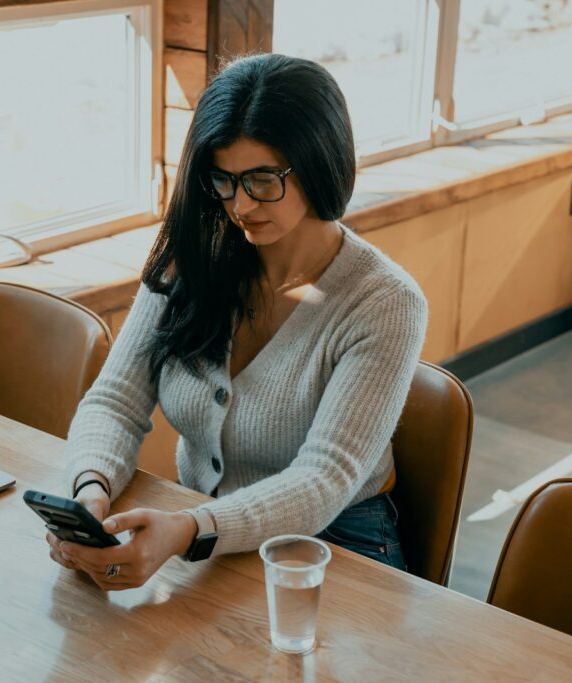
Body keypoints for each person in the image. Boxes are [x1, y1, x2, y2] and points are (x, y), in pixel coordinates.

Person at [45, 53, 427, 590]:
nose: (240, 205)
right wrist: (90, 491)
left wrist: (188, 530)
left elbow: (323, 480)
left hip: (337, 543)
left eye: (263, 180)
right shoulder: (194, 261)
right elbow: (114, 401)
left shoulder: (384, 302)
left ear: (319, 162)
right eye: (222, 180)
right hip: (202, 527)